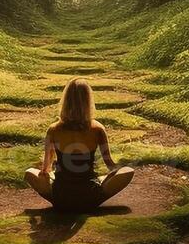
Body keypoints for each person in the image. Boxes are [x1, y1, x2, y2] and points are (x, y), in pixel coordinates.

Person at [25, 78, 134, 212]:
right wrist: (111, 175)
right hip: (90, 195)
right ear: (88, 101)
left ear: (66, 101)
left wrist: (49, 173)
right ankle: (91, 200)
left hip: (61, 195)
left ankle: (62, 202)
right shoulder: (98, 128)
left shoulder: (53, 129)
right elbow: (110, 164)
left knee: (30, 172)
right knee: (128, 171)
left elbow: (45, 169)